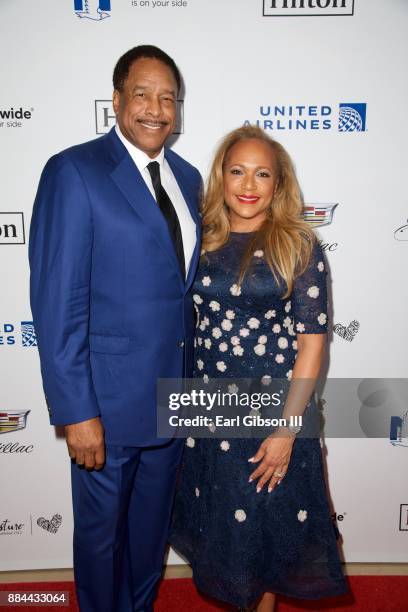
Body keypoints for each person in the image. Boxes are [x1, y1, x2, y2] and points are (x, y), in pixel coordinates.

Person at [29, 45, 201, 612]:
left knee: (150, 542)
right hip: (105, 406)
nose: (156, 109)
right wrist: (77, 411)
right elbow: (58, 302)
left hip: (172, 402)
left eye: (168, 98)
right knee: (102, 544)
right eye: (143, 94)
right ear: (117, 100)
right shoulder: (74, 171)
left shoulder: (189, 178)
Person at [169, 125, 349, 611]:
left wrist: (287, 431)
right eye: (238, 171)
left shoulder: (299, 244)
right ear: (221, 177)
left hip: (274, 412)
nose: (248, 184)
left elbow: (312, 348)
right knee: (228, 532)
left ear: (278, 183)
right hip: (210, 408)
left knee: (266, 535)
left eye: (262, 173)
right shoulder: (199, 239)